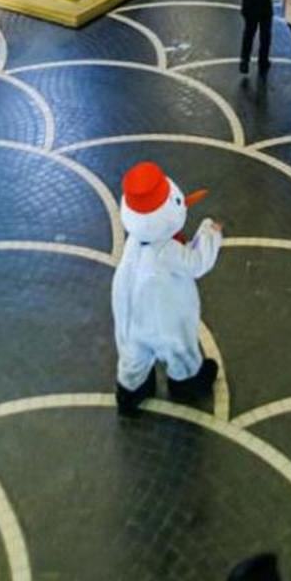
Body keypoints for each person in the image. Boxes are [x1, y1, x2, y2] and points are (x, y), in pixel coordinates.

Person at [111, 161, 222, 412]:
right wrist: (209, 233)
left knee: (133, 351)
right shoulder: (167, 250)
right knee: (178, 347)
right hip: (165, 315)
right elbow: (197, 263)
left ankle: (131, 391)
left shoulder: (134, 243)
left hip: (131, 312)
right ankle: (186, 381)